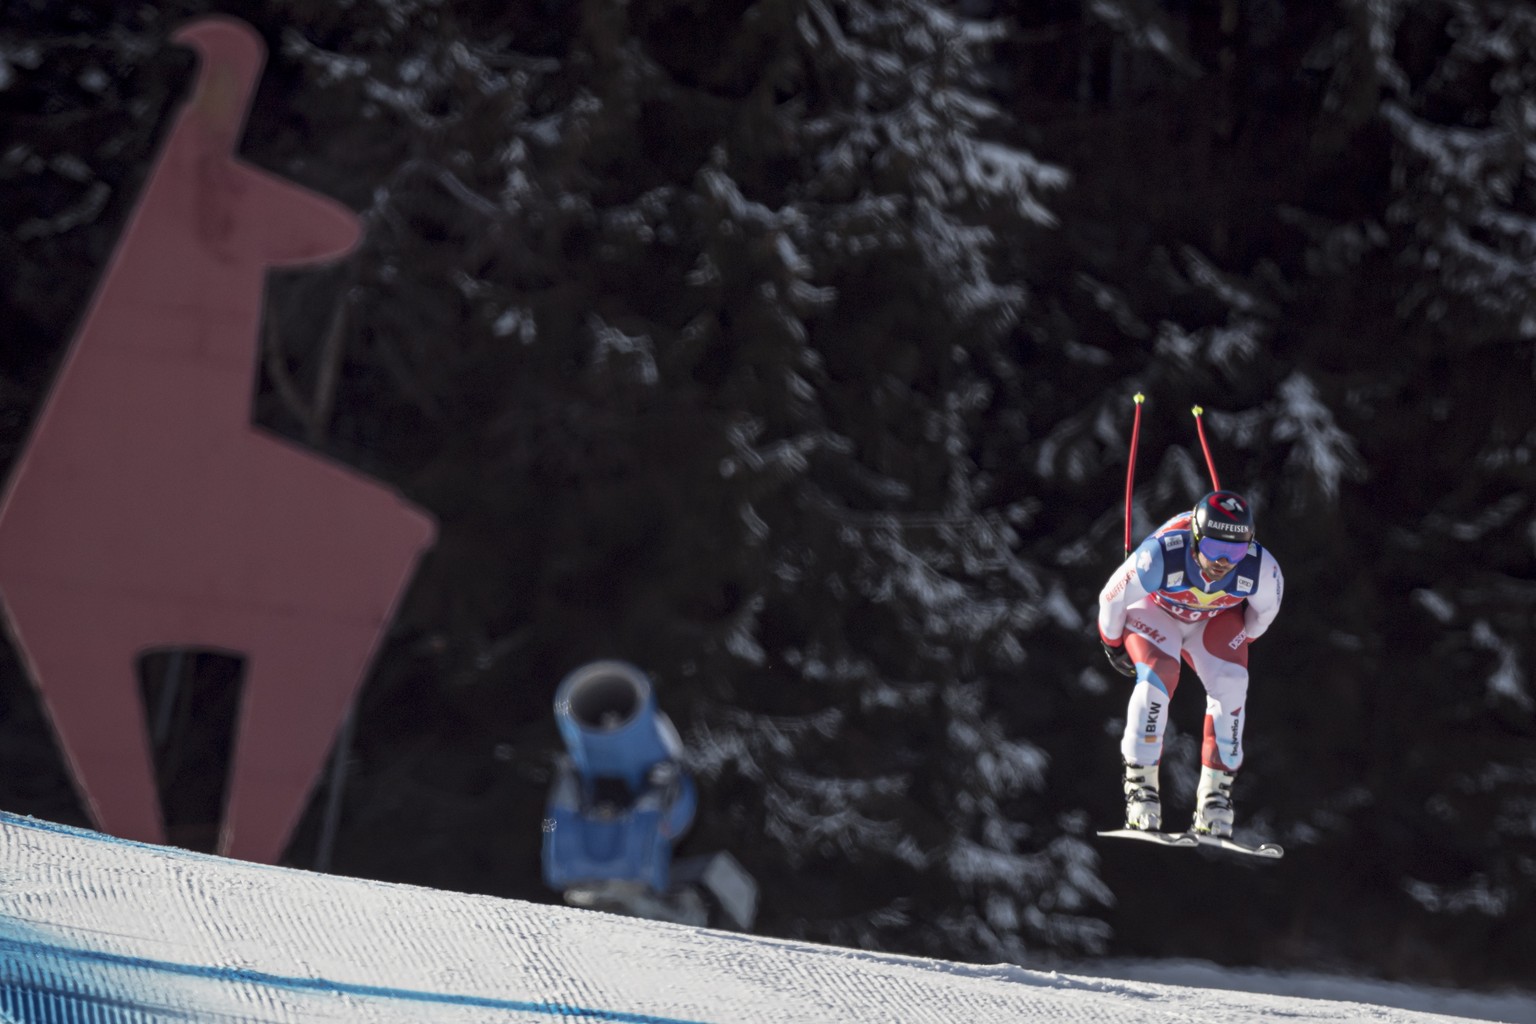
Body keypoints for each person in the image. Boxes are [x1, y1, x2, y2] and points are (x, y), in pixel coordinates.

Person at [1097, 490, 1284, 836]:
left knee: (1231, 683)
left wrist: (1235, 642)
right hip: (1157, 612)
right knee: (1159, 676)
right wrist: (1113, 645)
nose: (1223, 563)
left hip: (1211, 620)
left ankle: (1215, 800)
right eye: (1214, 550)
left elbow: (1262, 617)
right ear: (1195, 538)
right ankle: (1141, 793)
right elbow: (1111, 597)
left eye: (1235, 552)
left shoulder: (1262, 569)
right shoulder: (1162, 556)